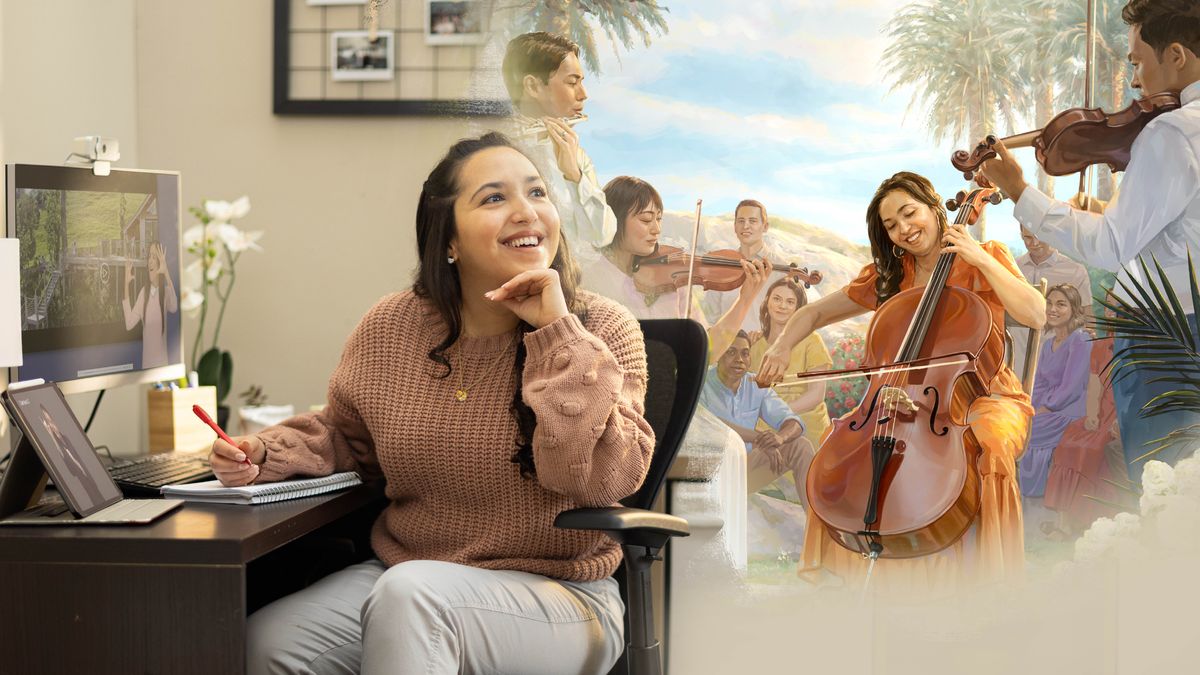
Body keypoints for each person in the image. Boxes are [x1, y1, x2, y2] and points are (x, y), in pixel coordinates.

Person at [212, 133, 652, 675]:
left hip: (561, 595)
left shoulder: (603, 328)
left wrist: (557, 332)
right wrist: (263, 453)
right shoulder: (392, 326)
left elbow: (598, 477)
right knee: (267, 644)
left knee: (412, 598)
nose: (525, 212)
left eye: (537, 193)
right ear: (449, 240)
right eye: (494, 199)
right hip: (410, 572)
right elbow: (348, 438)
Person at [757, 171, 1045, 588]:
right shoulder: (890, 276)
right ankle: (853, 577)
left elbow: (1035, 314)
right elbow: (814, 313)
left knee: (992, 444)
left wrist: (979, 257)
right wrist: (781, 345)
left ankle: (994, 583)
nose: (904, 230)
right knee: (839, 444)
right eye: (891, 226)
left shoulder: (985, 255)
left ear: (933, 206)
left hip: (987, 395)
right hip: (906, 398)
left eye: (910, 214)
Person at [976, 0, 1200, 478]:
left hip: (1167, 336)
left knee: (1163, 486)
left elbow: (1111, 247)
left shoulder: (1172, 132)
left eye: (1138, 61)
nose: (1136, 82)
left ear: (1177, 55)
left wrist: (1017, 189)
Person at [502, 32, 616, 248]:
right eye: (572, 83)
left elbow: (601, 236)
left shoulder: (574, 154)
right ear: (533, 86)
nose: (583, 94)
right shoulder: (497, 147)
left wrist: (574, 176)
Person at [701, 331, 815, 511]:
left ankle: (815, 526)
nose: (739, 359)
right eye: (731, 352)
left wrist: (779, 439)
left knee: (800, 445)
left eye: (745, 353)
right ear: (718, 355)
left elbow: (793, 422)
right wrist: (759, 437)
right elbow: (711, 424)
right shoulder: (701, 383)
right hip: (707, 474)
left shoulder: (755, 385)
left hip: (743, 470)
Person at [1044, 289, 1126, 536]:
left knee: (1092, 449)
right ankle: (1063, 522)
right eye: (1108, 306)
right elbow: (1094, 387)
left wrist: (1123, 421)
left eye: (1117, 306)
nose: (1112, 312)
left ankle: (1089, 521)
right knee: (1069, 441)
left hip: (1123, 414)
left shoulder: (1138, 344)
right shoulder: (1099, 346)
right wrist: (1092, 415)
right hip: (1102, 413)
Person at [1020, 284, 1093, 499]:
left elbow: (1071, 388)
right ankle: (1024, 493)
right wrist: (1031, 407)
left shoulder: (1081, 339)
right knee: (1018, 423)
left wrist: (1045, 408)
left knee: (1026, 433)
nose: (1053, 309)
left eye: (1061, 304)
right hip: (1047, 408)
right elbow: (1040, 383)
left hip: (1069, 411)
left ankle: (1034, 494)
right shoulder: (1048, 344)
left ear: (1074, 309)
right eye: (1049, 303)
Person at [748, 277, 833, 447]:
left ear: (798, 308)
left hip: (806, 425)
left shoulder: (812, 340)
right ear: (767, 302)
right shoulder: (755, 343)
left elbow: (816, 395)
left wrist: (776, 413)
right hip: (764, 423)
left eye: (790, 302)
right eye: (777, 299)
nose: (782, 306)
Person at [1010, 226, 1093, 381]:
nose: (1034, 243)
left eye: (1039, 236)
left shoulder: (1075, 271)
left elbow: (1088, 321)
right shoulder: (1010, 268)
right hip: (1014, 367)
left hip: (1059, 368)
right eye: (1027, 237)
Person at [701, 199, 789, 331]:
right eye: (741, 221)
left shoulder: (780, 267)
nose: (745, 226)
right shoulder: (721, 266)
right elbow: (711, 316)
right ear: (735, 226)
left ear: (765, 227)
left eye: (752, 221)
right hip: (728, 346)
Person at [122, 241, 177, 369]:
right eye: (149, 257)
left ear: (160, 263)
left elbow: (174, 307)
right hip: (147, 369)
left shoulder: (165, 292)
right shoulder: (143, 294)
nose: (150, 261)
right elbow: (129, 323)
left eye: (154, 257)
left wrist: (166, 272)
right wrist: (126, 284)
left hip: (163, 367)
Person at [39, 405, 105, 505]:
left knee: (99, 496)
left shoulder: (66, 438)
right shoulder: (56, 447)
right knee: (93, 498)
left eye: (51, 421)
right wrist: (52, 436)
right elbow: (70, 468)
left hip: (88, 473)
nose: (52, 425)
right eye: (48, 424)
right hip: (80, 481)